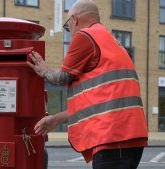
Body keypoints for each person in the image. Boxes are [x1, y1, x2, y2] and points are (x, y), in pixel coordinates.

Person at [27, 0, 148, 168]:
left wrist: (44, 70)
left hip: (113, 138)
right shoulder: (110, 41)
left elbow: (62, 78)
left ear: (74, 19)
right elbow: (96, 106)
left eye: (67, 26)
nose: (69, 32)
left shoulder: (85, 36)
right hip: (129, 137)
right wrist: (55, 119)